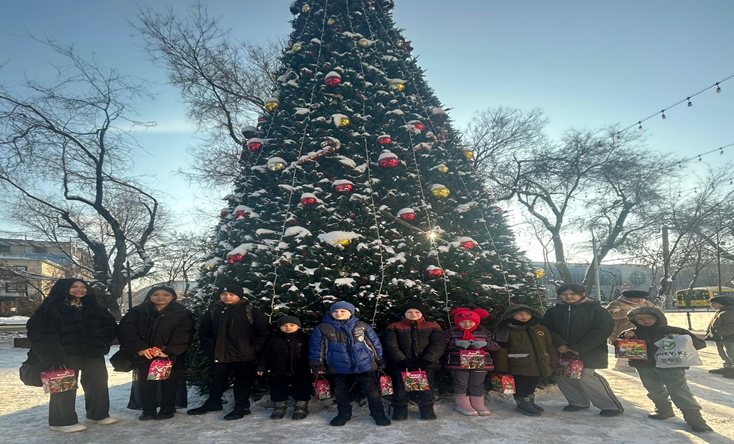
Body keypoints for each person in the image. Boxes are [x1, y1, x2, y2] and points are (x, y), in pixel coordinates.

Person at [26, 278, 118, 433]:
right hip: (65, 354)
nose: (79, 290)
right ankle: (61, 421)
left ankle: (98, 414)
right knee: (64, 388)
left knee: (98, 384)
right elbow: (42, 333)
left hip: (93, 352)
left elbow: (110, 325)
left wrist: (102, 341)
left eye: (83, 287)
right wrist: (54, 356)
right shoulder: (50, 308)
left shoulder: (94, 307)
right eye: (74, 287)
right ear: (63, 288)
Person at [620, 307, 712, 432]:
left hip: (671, 367)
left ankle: (694, 418)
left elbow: (700, 344)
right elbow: (619, 345)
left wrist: (681, 338)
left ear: (658, 318)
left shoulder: (674, 330)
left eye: (650, 318)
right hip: (644, 366)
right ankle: (663, 409)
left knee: (679, 390)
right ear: (634, 320)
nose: (645, 321)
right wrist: (625, 337)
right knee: (653, 389)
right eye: (640, 319)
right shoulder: (632, 332)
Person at [187, 284, 270, 420]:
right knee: (217, 379)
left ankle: (242, 406)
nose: (227, 297)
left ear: (239, 296)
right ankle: (213, 403)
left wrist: (254, 348)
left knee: (242, 381)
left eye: (231, 294)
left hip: (244, 354)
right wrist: (209, 347)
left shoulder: (252, 311)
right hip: (220, 353)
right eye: (224, 294)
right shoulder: (214, 311)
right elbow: (204, 331)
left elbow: (264, 331)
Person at [541, 283, 624, 416]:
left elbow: (602, 330)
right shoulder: (553, 311)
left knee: (586, 376)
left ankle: (610, 406)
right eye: (564, 294)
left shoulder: (596, 310)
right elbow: (547, 329)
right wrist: (559, 344)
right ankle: (577, 402)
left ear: (582, 295)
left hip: (590, 350)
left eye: (573, 294)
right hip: (562, 350)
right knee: (563, 375)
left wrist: (580, 347)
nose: (568, 297)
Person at [118, 285, 195, 420]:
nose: (160, 297)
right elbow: (127, 331)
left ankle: (167, 408)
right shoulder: (137, 312)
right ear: (150, 296)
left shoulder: (182, 313)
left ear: (173, 297)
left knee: (169, 382)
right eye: (156, 294)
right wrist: (140, 348)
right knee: (146, 383)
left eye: (165, 295)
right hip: (145, 354)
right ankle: (148, 410)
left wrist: (168, 350)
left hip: (168, 355)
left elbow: (184, 333)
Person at [309, 301, 391, 427]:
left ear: (350, 313)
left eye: (343, 311)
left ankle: (378, 413)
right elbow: (317, 348)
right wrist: (317, 365)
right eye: (335, 311)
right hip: (338, 367)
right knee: (341, 392)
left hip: (364, 365)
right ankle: (344, 414)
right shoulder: (323, 328)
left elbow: (374, 344)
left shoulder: (362, 326)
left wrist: (380, 360)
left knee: (372, 392)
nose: (339, 313)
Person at [381, 302, 445, 420]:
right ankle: (400, 409)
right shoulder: (394, 326)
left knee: (426, 389)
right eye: (409, 312)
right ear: (404, 314)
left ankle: (427, 409)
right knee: (400, 388)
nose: (413, 314)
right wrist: (401, 359)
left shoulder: (433, 326)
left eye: (417, 312)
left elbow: (438, 344)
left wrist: (427, 360)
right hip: (401, 364)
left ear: (423, 314)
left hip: (425, 365)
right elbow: (390, 345)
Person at [493, 305, 558, 416]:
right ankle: (522, 403)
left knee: (532, 383)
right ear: (511, 315)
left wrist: (552, 361)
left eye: (527, 314)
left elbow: (549, 346)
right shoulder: (505, 329)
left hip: (539, 363)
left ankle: (530, 401)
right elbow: (501, 349)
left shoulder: (540, 329)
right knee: (521, 385)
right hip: (518, 364)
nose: (524, 316)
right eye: (519, 314)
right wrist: (502, 367)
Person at [444, 307, 500, 416]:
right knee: (461, 383)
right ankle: (462, 404)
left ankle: (478, 403)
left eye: (470, 322)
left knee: (477, 383)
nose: (467, 324)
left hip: (480, 362)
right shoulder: (450, 332)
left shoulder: (484, 333)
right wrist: (456, 343)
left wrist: (485, 344)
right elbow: (443, 346)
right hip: (458, 363)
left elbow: (496, 346)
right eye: (463, 322)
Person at [256, 315, 312, 420]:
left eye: (292, 325)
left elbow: (312, 353)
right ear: (279, 327)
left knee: (302, 388)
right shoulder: (273, 339)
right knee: (278, 388)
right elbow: (265, 354)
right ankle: (279, 407)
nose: (288, 327)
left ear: (298, 326)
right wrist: (261, 367)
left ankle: (301, 407)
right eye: (284, 325)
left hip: (300, 369)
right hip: (278, 370)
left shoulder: (304, 338)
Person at [704, 296, 734, 378]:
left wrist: (719, 332)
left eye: (714, 303)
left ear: (723, 303)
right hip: (721, 337)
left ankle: (730, 366)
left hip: (729, 337)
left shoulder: (730, 312)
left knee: (731, 352)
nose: (711, 305)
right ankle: (728, 367)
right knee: (723, 352)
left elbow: (731, 326)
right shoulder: (721, 311)